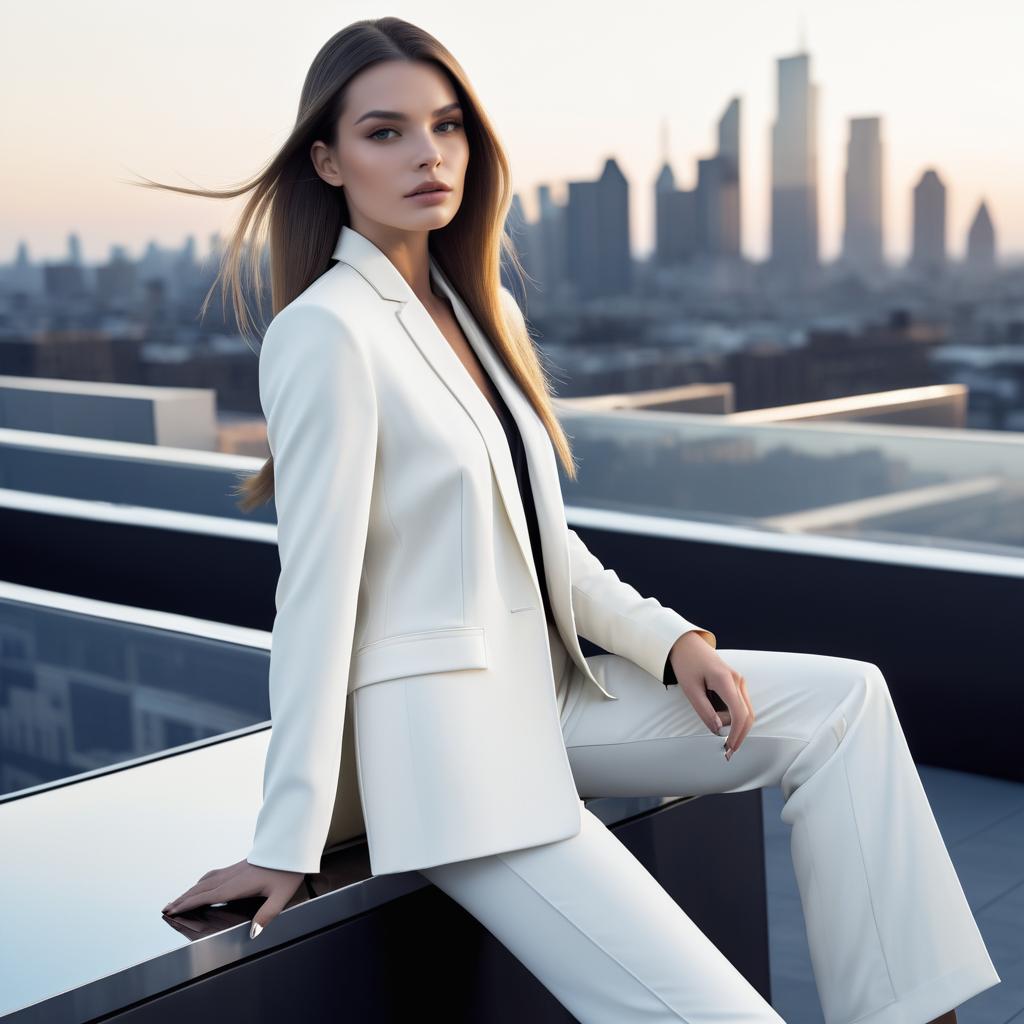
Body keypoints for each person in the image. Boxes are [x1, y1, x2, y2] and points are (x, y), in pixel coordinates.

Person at [155, 18, 1000, 1024]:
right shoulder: (322, 331)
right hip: (453, 757)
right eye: (387, 132)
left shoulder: (479, 313)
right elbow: (315, 589)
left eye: (448, 125)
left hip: (551, 700)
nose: (429, 153)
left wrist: (668, 638)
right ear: (328, 161)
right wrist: (285, 841)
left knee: (843, 703)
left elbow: (540, 540)